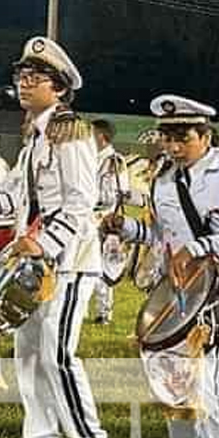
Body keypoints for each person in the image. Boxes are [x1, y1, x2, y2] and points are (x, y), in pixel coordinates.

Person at [105, 96, 219, 438]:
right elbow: (163, 237)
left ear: (205, 136)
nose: (174, 146)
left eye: (183, 138)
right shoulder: (163, 178)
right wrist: (128, 229)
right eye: (168, 137)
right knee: (175, 384)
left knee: (209, 381)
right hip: (179, 290)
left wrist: (199, 247)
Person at [0, 36, 109, 438]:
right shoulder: (38, 134)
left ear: (60, 88)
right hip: (35, 262)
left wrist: (45, 245)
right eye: (21, 75)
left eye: (35, 77)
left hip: (68, 263)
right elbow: (18, 188)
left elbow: (81, 201)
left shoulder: (71, 131)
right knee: (28, 353)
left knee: (58, 354)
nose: (24, 84)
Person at [89, 118, 131, 325]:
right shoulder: (87, 156)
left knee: (105, 266)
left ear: (101, 136)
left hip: (104, 218)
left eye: (91, 133)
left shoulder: (115, 161)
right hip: (86, 217)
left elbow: (120, 193)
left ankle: (103, 311)